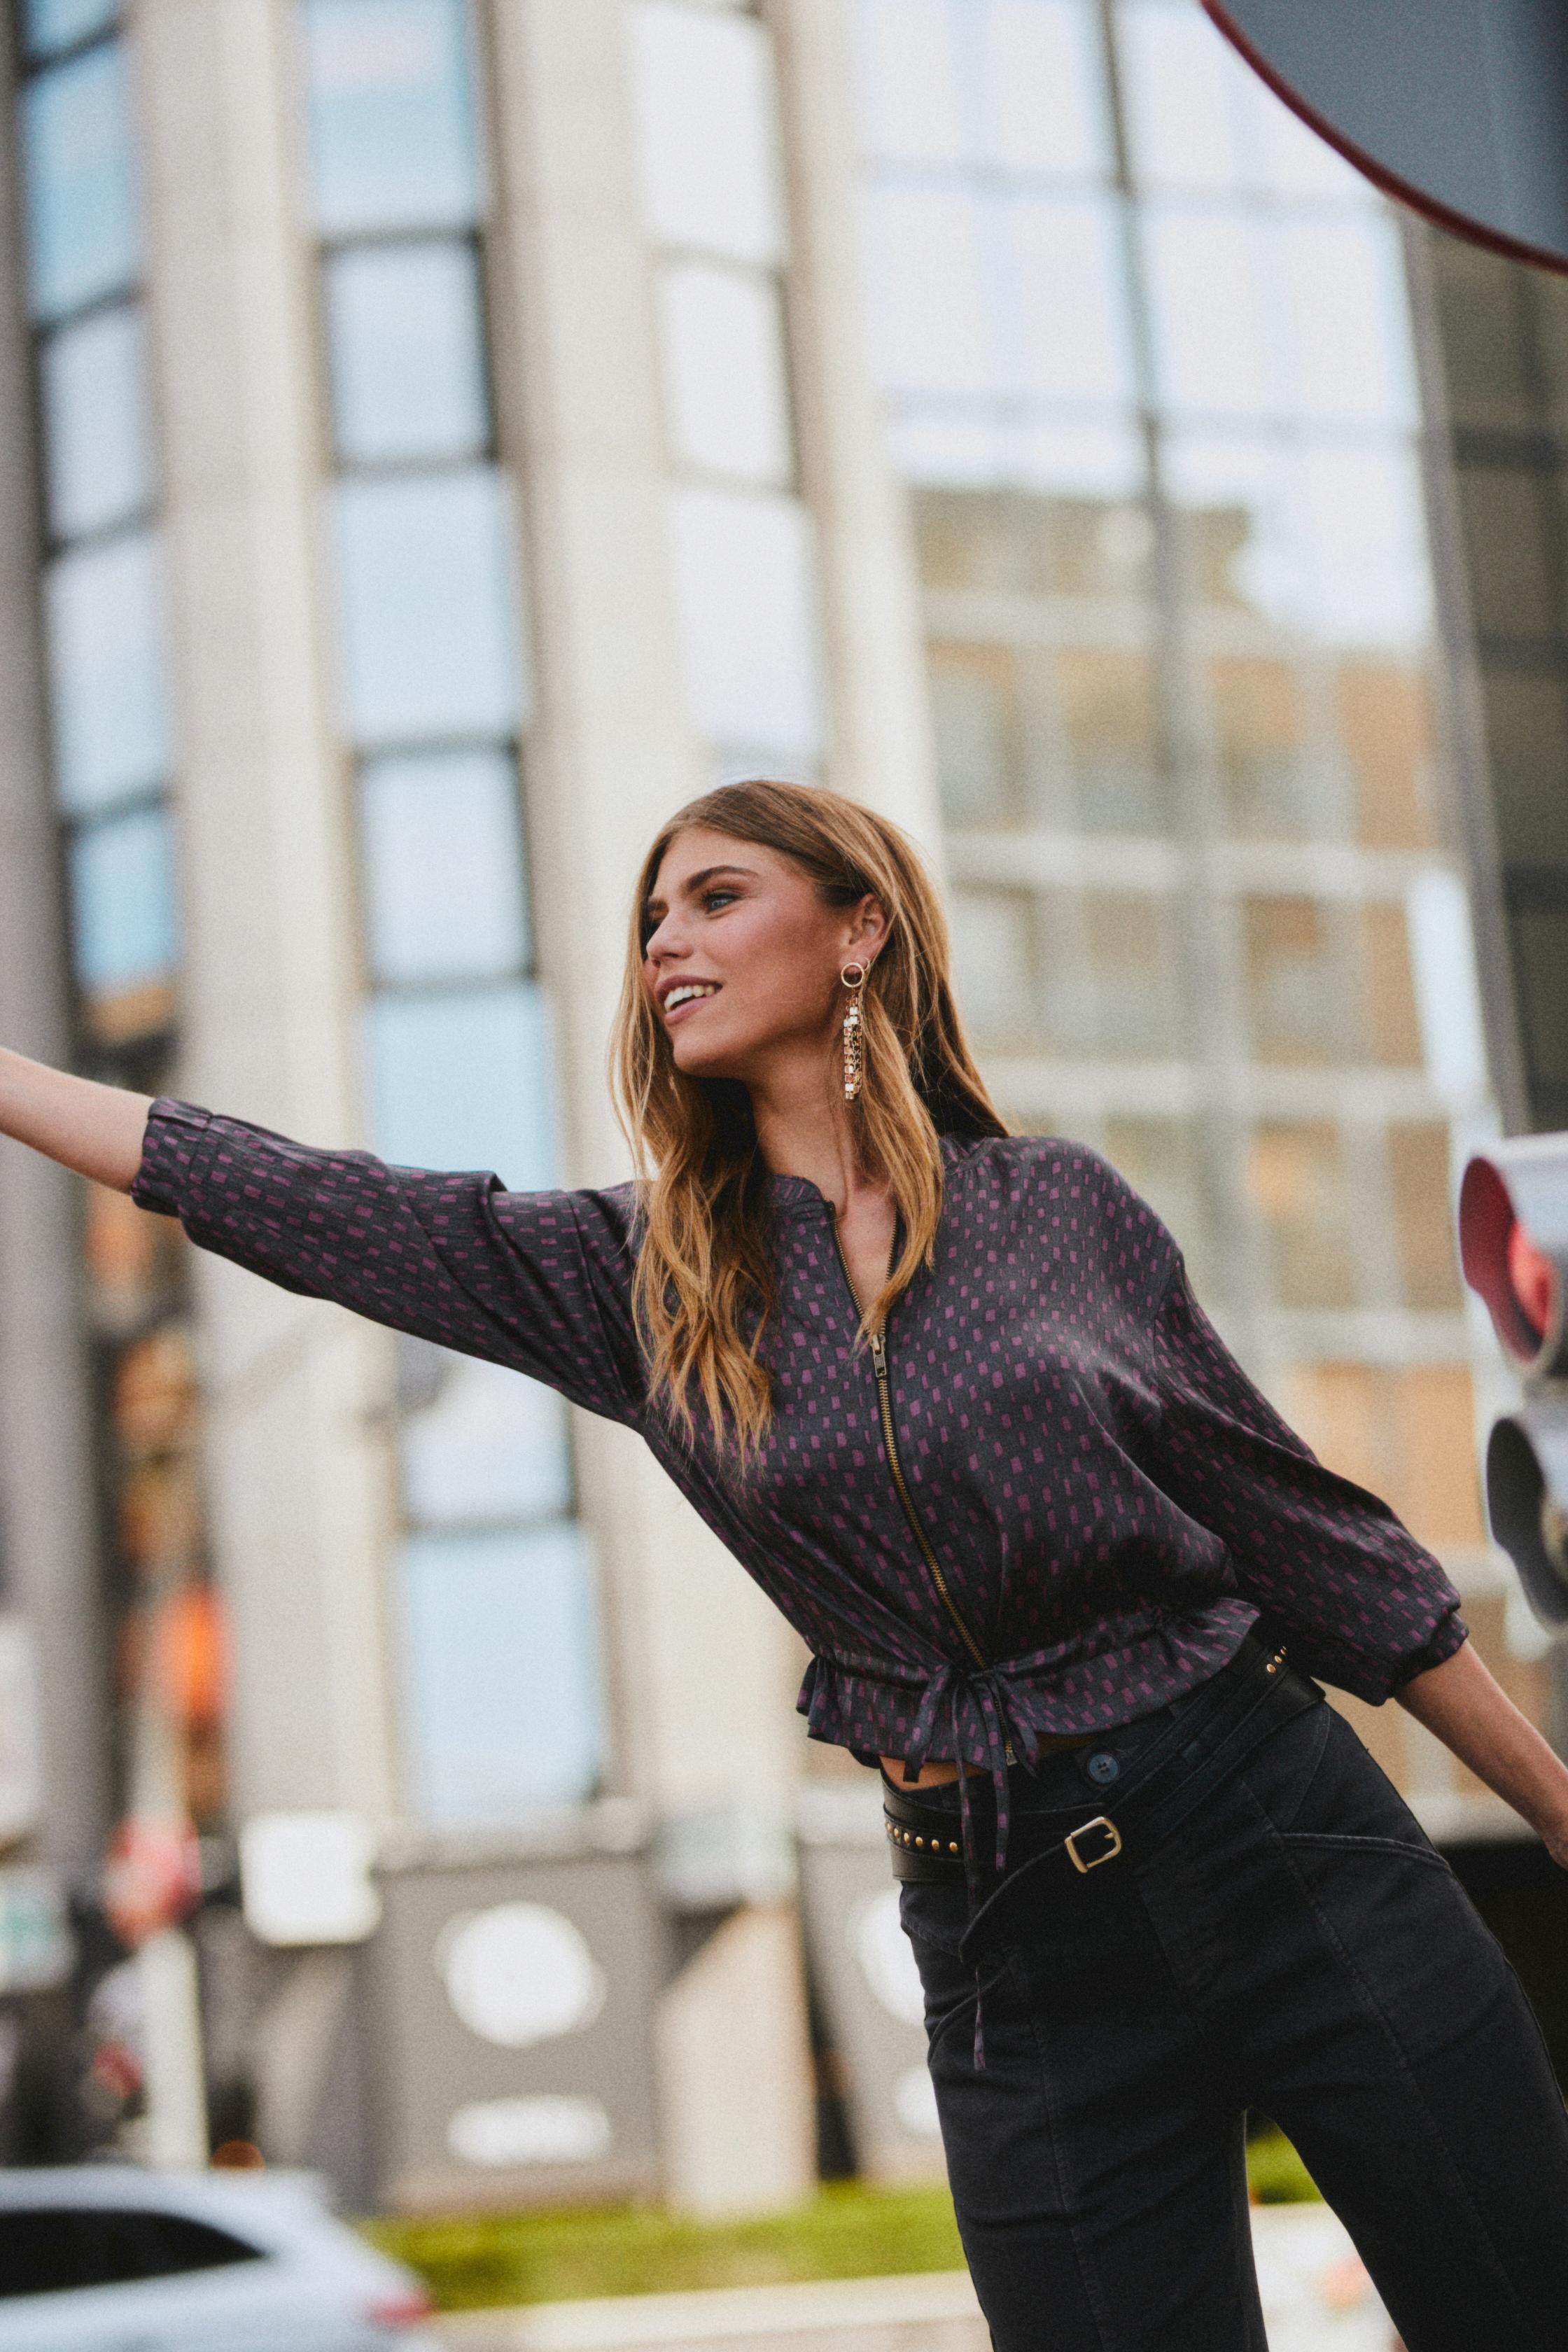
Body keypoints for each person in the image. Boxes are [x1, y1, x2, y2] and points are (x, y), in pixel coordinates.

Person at [4, 777, 1567, 2348]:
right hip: (1007, 1923)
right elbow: (299, 1198)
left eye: (715, 898)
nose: (663, 944)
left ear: (857, 929)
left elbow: (1310, 1538)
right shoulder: (642, 1278)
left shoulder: (1056, 1207)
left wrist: (1559, 1809)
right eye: (649, 919)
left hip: (1266, 1826)